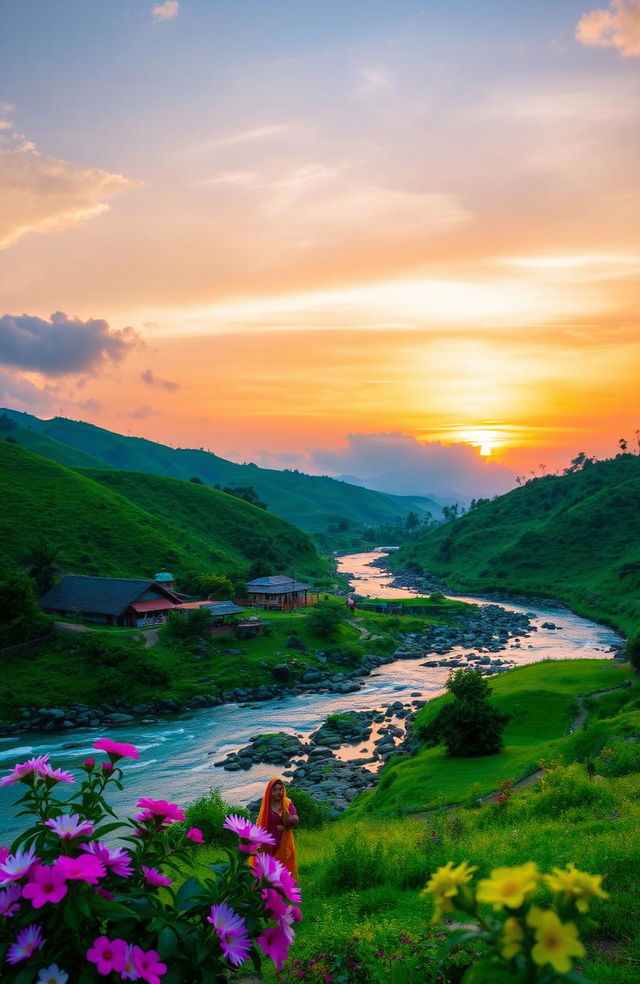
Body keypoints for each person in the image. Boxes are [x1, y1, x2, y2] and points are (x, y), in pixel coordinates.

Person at [256, 777, 299, 877]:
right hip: (268, 842)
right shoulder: (267, 805)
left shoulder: (287, 803)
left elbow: (294, 817)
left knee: (283, 868)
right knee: (267, 870)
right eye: (274, 790)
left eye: (280, 789)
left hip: (284, 841)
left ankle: (283, 889)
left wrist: (292, 821)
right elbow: (261, 822)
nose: (278, 792)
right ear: (269, 792)